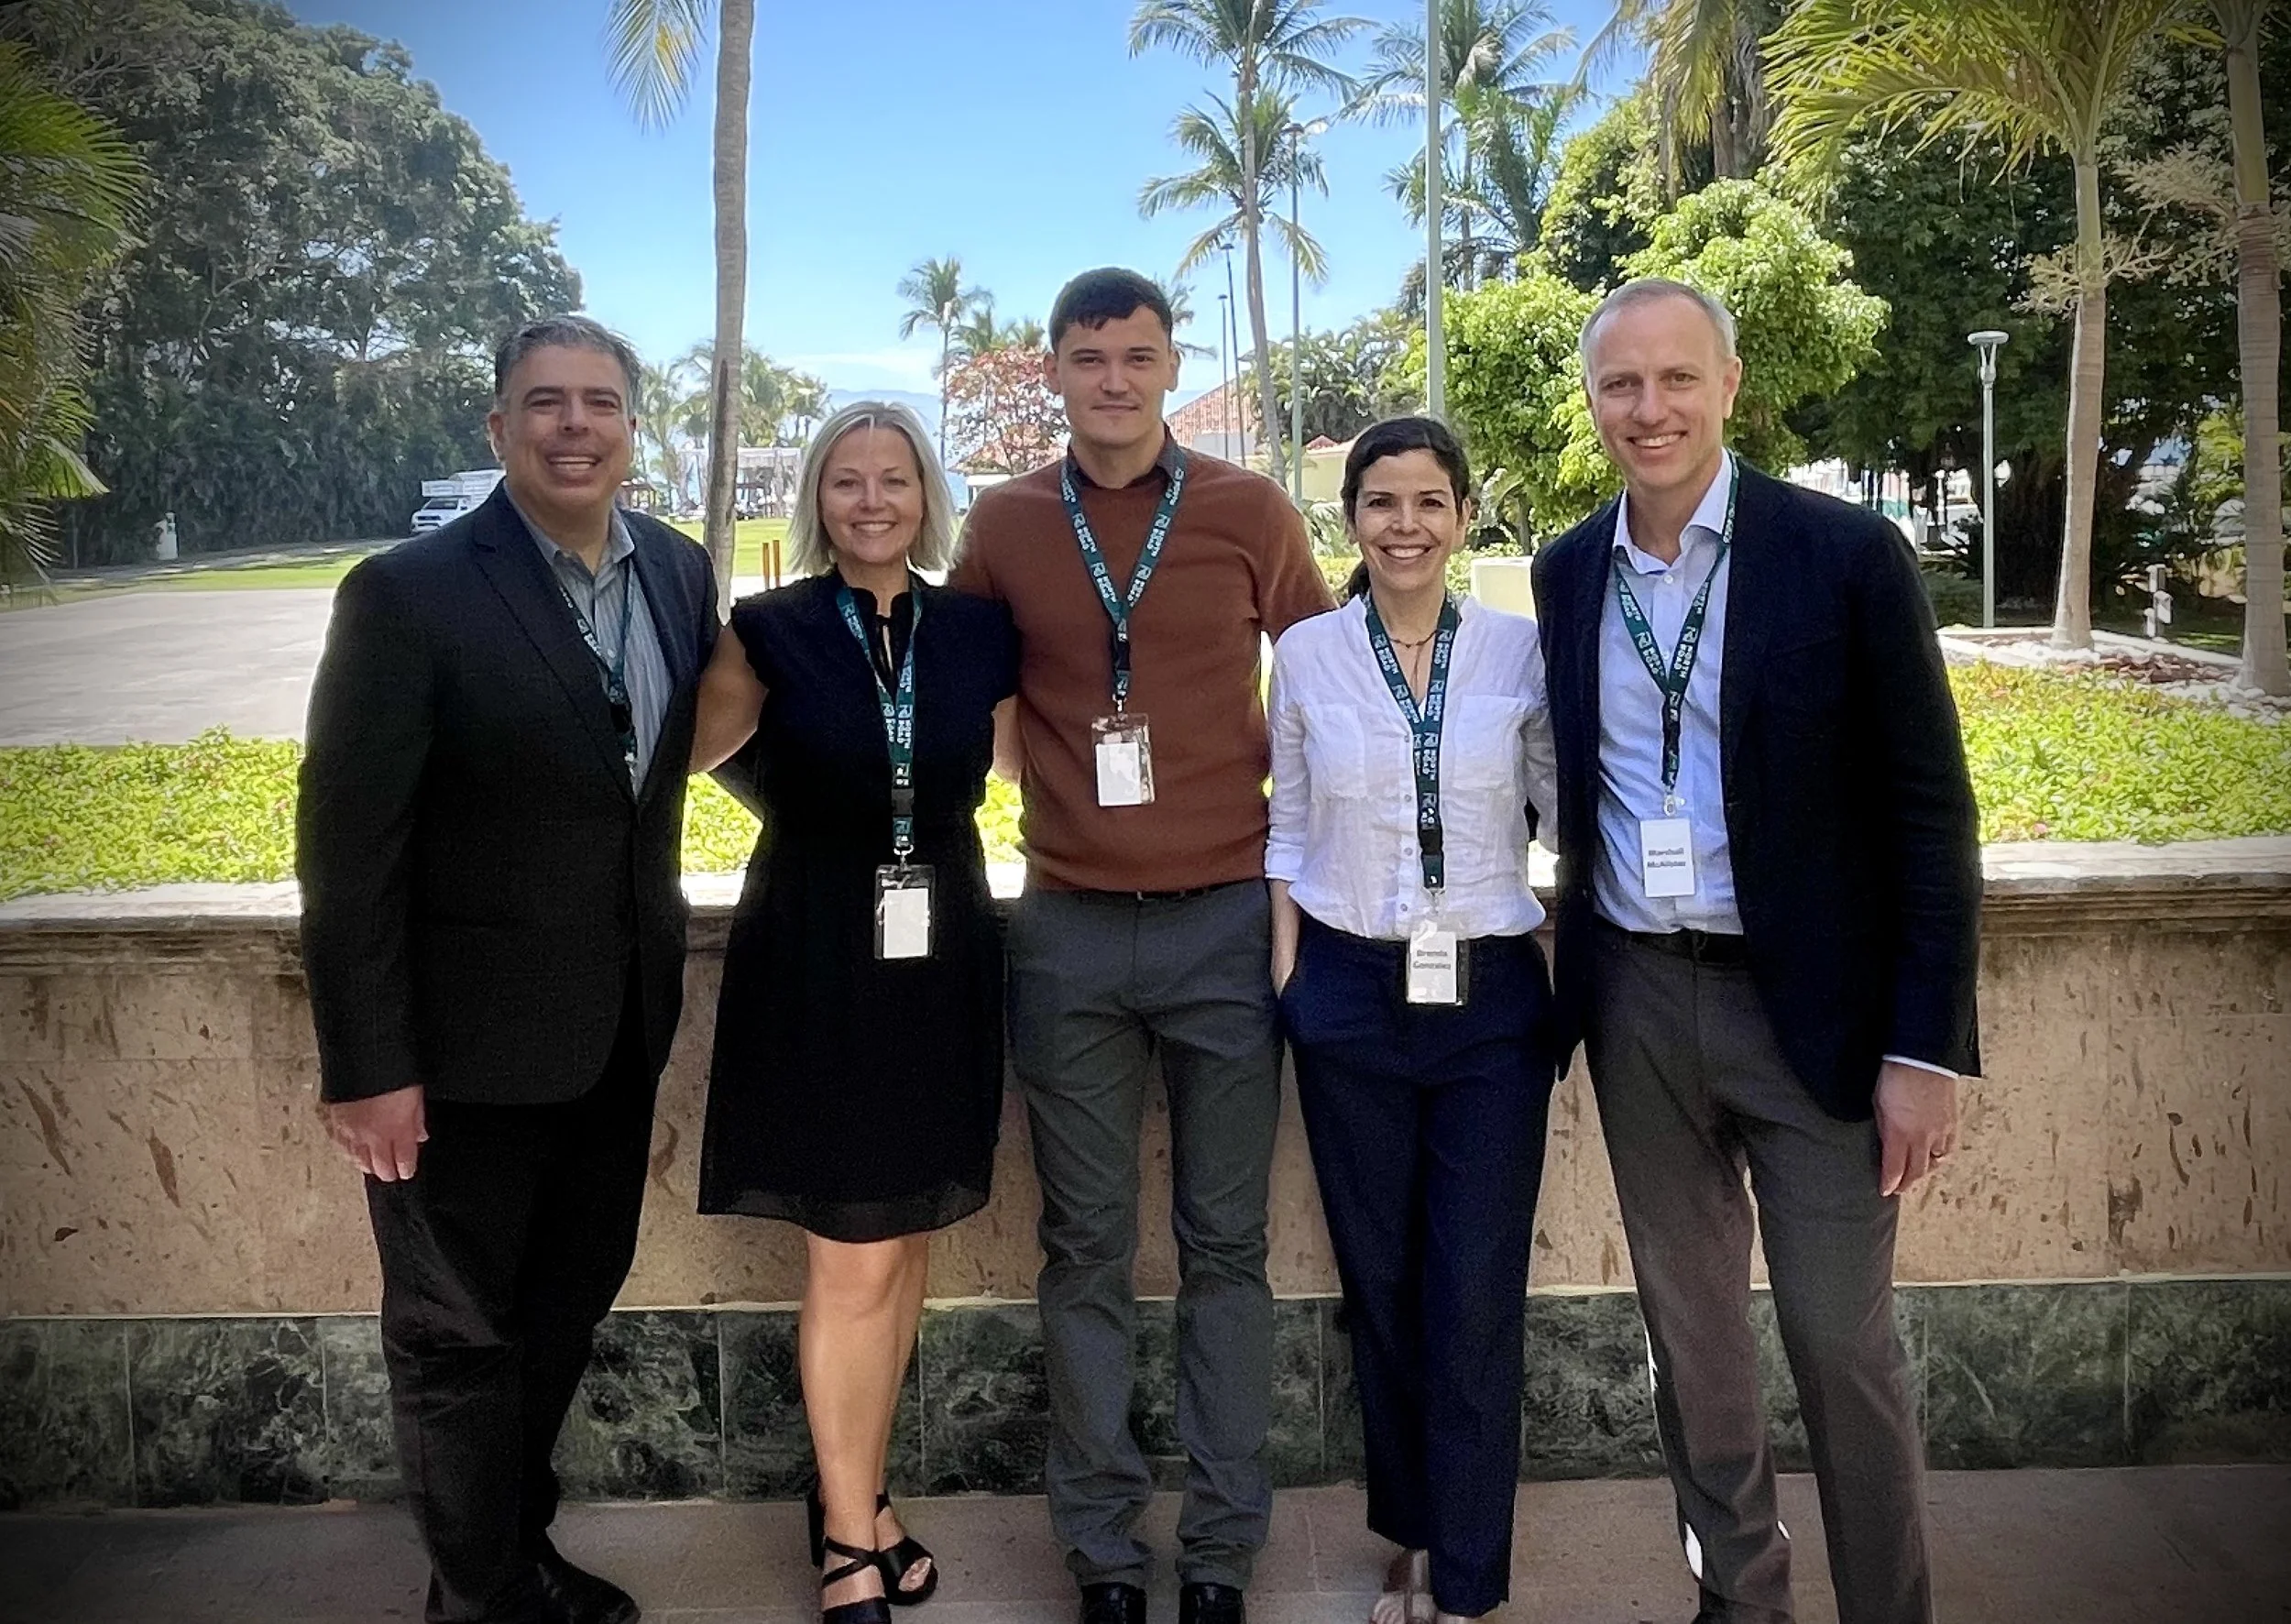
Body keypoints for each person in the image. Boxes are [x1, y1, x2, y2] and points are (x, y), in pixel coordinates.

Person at [1530, 279, 1982, 1624]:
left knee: (1842, 1344)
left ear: (1729, 387)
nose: (1649, 409)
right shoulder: (1566, 572)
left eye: (1676, 379)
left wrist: (1926, 1049)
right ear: (1595, 402)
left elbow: (1929, 808)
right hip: (1638, 1003)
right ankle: (1741, 1600)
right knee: (1695, 1347)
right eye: (1622, 384)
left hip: (1824, 1022)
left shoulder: (1841, 554)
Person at [299, 314, 720, 1624]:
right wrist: (370, 1065)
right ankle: (479, 1599)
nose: (576, 424)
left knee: (559, 1315)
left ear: (634, 428)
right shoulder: (408, 593)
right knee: (457, 1339)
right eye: (547, 402)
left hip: (617, 1031)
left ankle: (507, 1555)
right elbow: (348, 848)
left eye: (601, 401)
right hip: (463, 1051)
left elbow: (677, 767)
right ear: (498, 428)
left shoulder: (678, 572)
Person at [948, 268, 1332, 1624]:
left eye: (1139, 356)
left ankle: (1222, 1550)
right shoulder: (1000, 522)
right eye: (1089, 357)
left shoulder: (1247, 511)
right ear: (1050, 371)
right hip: (1065, 934)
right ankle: (1105, 1552)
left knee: (1229, 1250)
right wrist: (1036, 783)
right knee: (1085, 1249)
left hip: (1228, 925)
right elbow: (969, 687)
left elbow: (1329, 676)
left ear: (1175, 368)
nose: (1114, 379)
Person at [689, 401, 1015, 1624]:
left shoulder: (979, 631)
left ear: (926, 493)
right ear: (817, 500)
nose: (872, 502)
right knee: (850, 1258)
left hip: (941, 957)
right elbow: (685, 749)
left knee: (909, 1242)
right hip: (818, 956)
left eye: (893, 480)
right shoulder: (766, 630)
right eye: (846, 482)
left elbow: (1040, 762)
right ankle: (844, 1541)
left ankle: (863, 1499)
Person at [1266, 417, 1559, 1624]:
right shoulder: (1308, 654)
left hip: (1487, 1002)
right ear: (1351, 522)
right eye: (1381, 503)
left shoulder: (1521, 655)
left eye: (1428, 502)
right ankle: (1416, 1537)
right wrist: (1293, 978)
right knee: (1382, 1282)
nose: (1405, 525)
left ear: (1464, 515)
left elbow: (1561, 799)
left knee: (1475, 1285)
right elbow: (1287, 822)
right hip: (1346, 991)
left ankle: (1470, 1576)